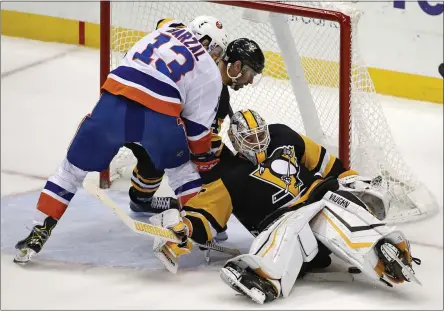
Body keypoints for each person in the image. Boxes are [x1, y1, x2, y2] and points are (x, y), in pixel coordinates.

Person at [13, 16, 229, 264]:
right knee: (183, 173)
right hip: (158, 118)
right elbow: (198, 132)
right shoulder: (211, 72)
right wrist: (204, 163)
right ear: (214, 48)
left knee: (69, 171)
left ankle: (38, 231)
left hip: (114, 102)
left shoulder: (168, 29)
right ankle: (200, 232)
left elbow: (165, 22)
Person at [150, 109, 421, 304]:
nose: (257, 143)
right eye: (250, 139)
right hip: (281, 221)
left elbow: (325, 163)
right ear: (236, 142)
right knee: (286, 235)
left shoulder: (282, 134)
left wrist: (350, 180)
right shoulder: (229, 176)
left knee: (338, 213)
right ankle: (265, 277)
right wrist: (181, 230)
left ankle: (387, 249)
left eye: (260, 135)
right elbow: (205, 216)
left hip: (320, 199)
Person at [125, 31, 265, 242]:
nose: (250, 80)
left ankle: (142, 199)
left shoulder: (216, 86)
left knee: (161, 161)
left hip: (144, 123)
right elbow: (199, 142)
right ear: (237, 67)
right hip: (146, 122)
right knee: (209, 164)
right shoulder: (207, 80)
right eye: (250, 74)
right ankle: (197, 215)